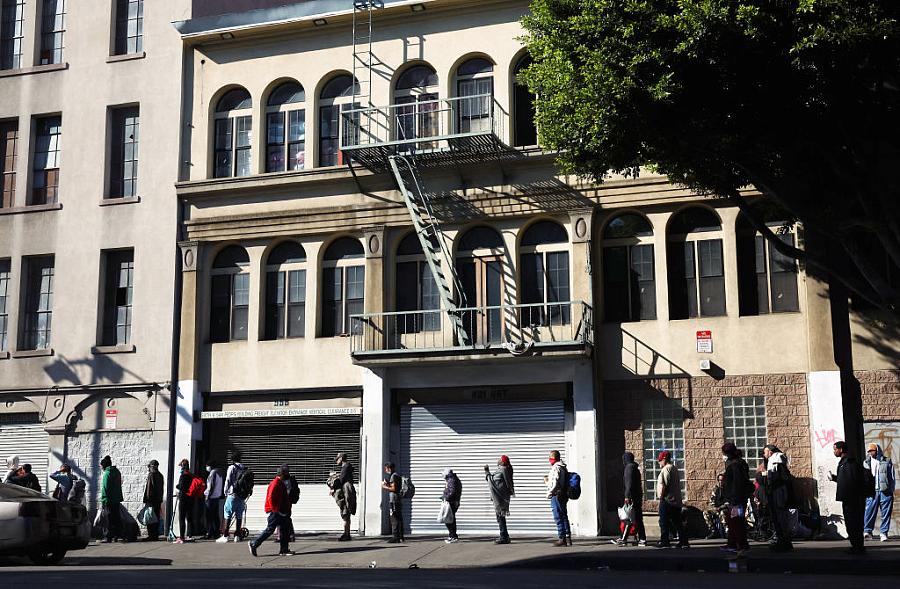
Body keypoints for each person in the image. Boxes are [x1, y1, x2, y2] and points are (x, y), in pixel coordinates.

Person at [830, 441, 867, 554]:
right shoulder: (844, 462)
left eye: (835, 449)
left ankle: (858, 547)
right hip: (847, 498)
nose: (834, 451)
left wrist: (851, 496)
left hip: (851, 499)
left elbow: (852, 480)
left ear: (841, 449)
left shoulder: (849, 462)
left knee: (854, 523)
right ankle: (855, 545)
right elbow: (846, 479)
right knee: (851, 523)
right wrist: (835, 478)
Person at [249, 465, 292, 556]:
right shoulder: (275, 483)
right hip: (276, 511)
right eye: (287, 473)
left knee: (284, 529)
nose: (288, 474)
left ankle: (284, 549)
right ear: (282, 474)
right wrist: (275, 510)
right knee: (270, 529)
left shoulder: (280, 483)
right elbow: (270, 498)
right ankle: (254, 543)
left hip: (281, 511)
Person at [721, 442, 751, 554]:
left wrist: (733, 499)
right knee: (734, 521)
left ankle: (740, 544)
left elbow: (736, 484)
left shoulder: (734, 465)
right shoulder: (739, 463)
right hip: (737, 498)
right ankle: (733, 543)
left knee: (736, 522)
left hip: (736, 499)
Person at [763, 444, 793, 551]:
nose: (764, 454)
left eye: (765, 452)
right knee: (779, 517)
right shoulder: (775, 460)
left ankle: (783, 542)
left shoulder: (775, 459)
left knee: (780, 517)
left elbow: (775, 477)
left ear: (770, 452)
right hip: (777, 491)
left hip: (778, 491)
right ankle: (784, 541)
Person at [655, 451, 688, 549]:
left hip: (667, 500)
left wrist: (661, 497)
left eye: (660, 460)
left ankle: (665, 541)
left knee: (663, 521)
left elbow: (664, 484)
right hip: (676, 500)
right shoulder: (674, 468)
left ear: (664, 459)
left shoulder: (666, 469)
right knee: (677, 521)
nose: (659, 463)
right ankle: (683, 541)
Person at [613, 451, 646, 547]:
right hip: (637, 496)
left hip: (632, 497)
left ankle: (627, 538)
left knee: (628, 518)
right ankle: (632, 538)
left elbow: (629, 483)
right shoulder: (634, 467)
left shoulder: (629, 468)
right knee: (635, 518)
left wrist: (627, 496)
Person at [863, 443, 895, 542]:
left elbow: (891, 476)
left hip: (885, 491)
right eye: (869, 451)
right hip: (872, 491)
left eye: (872, 450)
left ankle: (883, 533)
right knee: (869, 511)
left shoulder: (886, 461)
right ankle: (867, 531)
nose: (870, 453)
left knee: (886, 513)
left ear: (877, 450)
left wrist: (891, 489)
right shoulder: (866, 462)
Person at [218, 452, 248, 543]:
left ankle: (225, 535)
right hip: (241, 496)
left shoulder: (232, 467)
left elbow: (228, 480)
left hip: (232, 494)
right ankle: (237, 536)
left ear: (232, 459)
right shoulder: (244, 468)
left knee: (228, 514)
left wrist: (225, 491)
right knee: (239, 515)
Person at [485, 455, 514, 544]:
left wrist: (487, 472)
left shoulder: (502, 470)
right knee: (501, 517)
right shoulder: (506, 470)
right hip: (503, 497)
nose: (498, 460)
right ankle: (505, 536)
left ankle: (503, 537)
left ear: (502, 462)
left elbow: (492, 482)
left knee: (500, 518)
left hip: (500, 499)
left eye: (500, 459)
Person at [545, 449, 571, 547]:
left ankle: (562, 538)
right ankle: (568, 537)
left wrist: (550, 492)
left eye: (550, 457)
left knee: (558, 516)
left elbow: (555, 482)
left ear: (553, 458)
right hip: (562, 494)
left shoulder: (556, 468)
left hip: (557, 495)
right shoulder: (562, 467)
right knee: (564, 515)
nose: (549, 459)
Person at [331, 452, 356, 542]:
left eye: (337, 459)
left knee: (345, 512)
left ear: (341, 458)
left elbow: (341, 480)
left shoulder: (346, 467)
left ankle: (346, 534)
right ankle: (346, 533)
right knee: (346, 512)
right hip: (346, 491)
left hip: (346, 492)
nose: (336, 461)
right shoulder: (346, 467)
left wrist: (333, 487)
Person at [100, 455, 124, 543]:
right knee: (116, 518)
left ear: (104, 465)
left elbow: (105, 488)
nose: (100, 467)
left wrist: (103, 500)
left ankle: (108, 537)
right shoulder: (117, 472)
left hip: (109, 500)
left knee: (108, 519)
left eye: (101, 465)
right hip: (116, 499)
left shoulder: (107, 473)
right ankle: (117, 535)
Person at [381, 462, 404, 543]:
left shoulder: (393, 476)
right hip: (397, 499)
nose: (385, 470)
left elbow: (394, 489)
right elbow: (395, 487)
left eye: (386, 469)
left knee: (394, 518)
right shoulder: (397, 475)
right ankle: (400, 536)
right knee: (398, 517)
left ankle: (395, 537)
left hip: (394, 500)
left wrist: (384, 486)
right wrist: (388, 484)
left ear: (389, 468)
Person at [142, 460, 164, 541]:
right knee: (156, 518)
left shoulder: (151, 475)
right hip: (158, 500)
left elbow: (149, 489)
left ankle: (151, 535)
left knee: (150, 517)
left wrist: (146, 499)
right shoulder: (160, 475)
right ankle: (155, 535)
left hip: (151, 500)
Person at [174, 458, 195, 544]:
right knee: (189, 517)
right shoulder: (191, 475)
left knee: (182, 518)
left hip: (183, 498)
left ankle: (182, 537)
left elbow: (181, 486)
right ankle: (189, 535)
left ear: (183, 466)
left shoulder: (183, 476)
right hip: (190, 498)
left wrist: (177, 486)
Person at [204, 460, 225, 540]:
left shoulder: (212, 473)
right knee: (215, 516)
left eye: (207, 466)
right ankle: (216, 532)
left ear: (210, 466)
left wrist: (208, 496)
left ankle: (209, 532)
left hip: (211, 497)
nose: (206, 467)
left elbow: (211, 485)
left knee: (209, 516)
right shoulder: (220, 473)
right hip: (217, 497)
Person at [442, 468, 462, 543]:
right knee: (450, 519)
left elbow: (452, 492)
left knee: (449, 520)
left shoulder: (451, 480)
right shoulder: (453, 479)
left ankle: (453, 536)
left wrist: (445, 497)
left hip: (451, 502)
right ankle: (452, 535)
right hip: (454, 501)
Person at [704, 473, 727, 539]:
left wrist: (720, 507)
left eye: (722, 480)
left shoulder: (728, 489)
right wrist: (714, 507)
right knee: (706, 512)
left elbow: (728, 502)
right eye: (719, 480)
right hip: (716, 508)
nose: (721, 482)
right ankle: (713, 531)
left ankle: (726, 532)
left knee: (722, 513)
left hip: (724, 508)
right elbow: (712, 500)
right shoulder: (716, 489)